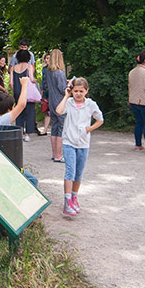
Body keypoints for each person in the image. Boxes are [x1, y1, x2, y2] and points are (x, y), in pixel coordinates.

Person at [55, 77, 104, 216]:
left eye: (81, 91)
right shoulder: (69, 102)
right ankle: (67, 200)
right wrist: (66, 95)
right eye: (75, 91)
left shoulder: (90, 104)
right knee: (70, 170)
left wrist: (89, 129)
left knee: (79, 172)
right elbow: (59, 111)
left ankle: (75, 197)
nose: (78, 94)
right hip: (68, 142)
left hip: (83, 143)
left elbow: (100, 119)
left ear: (86, 91)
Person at [10, 50, 41, 140]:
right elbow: (31, 79)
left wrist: (15, 91)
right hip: (26, 92)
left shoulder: (13, 68)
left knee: (19, 112)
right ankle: (27, 134)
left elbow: (11, 83)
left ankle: (19, 132)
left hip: (17, 92)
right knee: (29, 112)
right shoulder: (29, 66)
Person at [44, 49, 69, 162]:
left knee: (54, 127)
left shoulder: (49, 71)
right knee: (61, 128)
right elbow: (63, 89)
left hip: (52, 102)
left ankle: (54, 154)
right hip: (60, 102)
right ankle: (59, 155)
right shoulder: (59, 73)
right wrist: (70, 85)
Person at [40, 53, 51, 134]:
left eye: (49, 58)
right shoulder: (44, 69)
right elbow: (43, 81)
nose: (47, 60)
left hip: (53, 92)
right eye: (46, 58)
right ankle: (45, 129)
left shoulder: (55, 69)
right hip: (46, 91)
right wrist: (41, 91)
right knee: (46, 111)